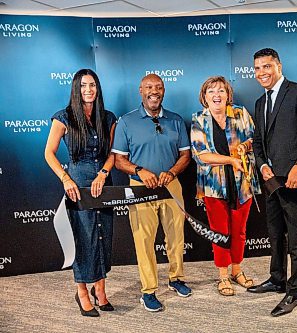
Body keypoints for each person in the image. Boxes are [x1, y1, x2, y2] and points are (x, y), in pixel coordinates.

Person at [247, 48, 297, 317]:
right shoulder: (260, 102)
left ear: (279, 66)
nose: (261, 73)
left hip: (294, 181)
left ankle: (294, 292)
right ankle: (277, 278)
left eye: (266, 67)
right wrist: (262, 165)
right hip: (270, 181)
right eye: (257, 68)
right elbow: (258, 142)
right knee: (275, 234)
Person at [112, 74, 192, 312]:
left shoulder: (176, 120)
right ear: (140, 91)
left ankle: (176, 278)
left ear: (164, 91)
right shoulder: (126, 122)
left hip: (171, 186)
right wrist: (140, 171)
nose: (153, 91)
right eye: (149, 87)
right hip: (140, 188)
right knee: (144, 240)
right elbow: (118, 160)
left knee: (176, 237)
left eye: (158, 87)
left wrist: (172, 172)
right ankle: (148, 290)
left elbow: (185, 156)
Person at [45, 69, 116, 317]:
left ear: (98, 88)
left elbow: (112, 155)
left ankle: (101, 290)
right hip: (77, 184)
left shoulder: (108, 117)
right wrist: (65, 179)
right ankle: (83, 292)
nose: (88, 90)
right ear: (76, 88)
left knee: (102, 236)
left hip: (103, 184)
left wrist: (103, 174)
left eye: (93, 85)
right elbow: (49, 153)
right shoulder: (63, 117)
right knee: (83, 239)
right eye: (84, 85)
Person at [190, 76, 261, 296]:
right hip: (213, 185)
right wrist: (231, 160)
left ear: (228, 95)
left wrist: (244, 147)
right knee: (220, 231)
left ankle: (237, 271)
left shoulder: (240, 113)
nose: (217, 95)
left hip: (242, 183)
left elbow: (255, 139)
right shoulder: (198, 119)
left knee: (239, 230)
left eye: (221, 90)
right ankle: (222, 275)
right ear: (204, 96)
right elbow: (201, 155)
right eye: (211, 91)